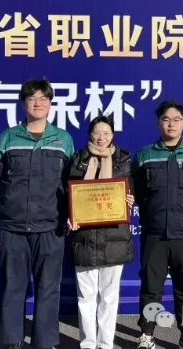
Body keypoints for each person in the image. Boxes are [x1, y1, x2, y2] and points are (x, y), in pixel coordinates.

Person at [0, 78, 74, 349]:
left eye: (43, 98)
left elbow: (70, 182)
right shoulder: (8, 137)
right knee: (12, 286)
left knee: (48, 288)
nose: (38, 103)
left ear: (50, 103)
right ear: (23, 103)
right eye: (32, 98)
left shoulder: (63, 139)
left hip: (50, 226)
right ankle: (12, 341)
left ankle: (44, 342)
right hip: (12, 226)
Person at [131, 100, 183, 349]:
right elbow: (137, 191)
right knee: (151, 288)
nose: (171, 124)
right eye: (166, 119)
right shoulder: (144, 155)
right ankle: (147, 334)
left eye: (176, 120)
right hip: (154, 233)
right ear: (158, 123)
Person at [66, 115, 135, 349]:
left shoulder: (124, 161)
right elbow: (67, 193)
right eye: (97, 132)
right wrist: (71, 215)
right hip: (84, 237)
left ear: (112, 135)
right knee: (85, 298)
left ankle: (105, 344)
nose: (101, 137)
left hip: (114, 237)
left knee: (109, 297)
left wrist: (130, 198)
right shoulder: (77, 160)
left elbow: (131, 190)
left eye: (106, 133)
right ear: (89, 134)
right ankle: (87, 344)